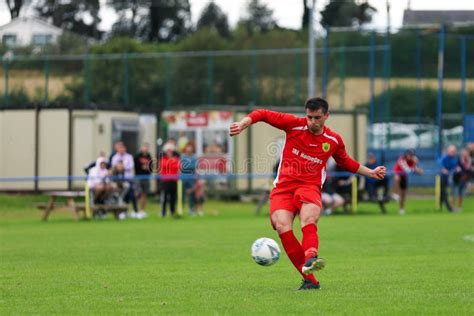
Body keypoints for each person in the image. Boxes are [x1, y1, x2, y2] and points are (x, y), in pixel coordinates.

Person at [229, 97, 386, 290]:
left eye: (317, 117)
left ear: (326, 116)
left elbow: (345, 161)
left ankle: (311, 255)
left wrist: (370, 172)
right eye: (309, 117)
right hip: (284, 187)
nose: (312, 121)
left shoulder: (333, 140)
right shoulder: (294, 125)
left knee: (308, 219)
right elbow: (263, 114)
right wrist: (243, 123)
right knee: (281, 226)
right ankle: (310, 281)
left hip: (309, 187)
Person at [111, 142, 143, 219]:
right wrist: (120, 167)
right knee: (122, 196)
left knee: (132, 195)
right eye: (120, 148)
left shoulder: (129, 157)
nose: (121, 149)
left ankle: (136, 211)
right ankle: (123, 212)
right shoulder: (114, 157)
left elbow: (131, 166)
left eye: (122, 148)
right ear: (117, 149)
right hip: (118, 181)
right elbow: (114, 167)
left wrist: (122, 167)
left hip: (128, 179)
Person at [392, 149, 423, 215]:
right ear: (406, 155)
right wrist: (417, 170)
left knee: (403, 194)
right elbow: (407, 170)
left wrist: (417, 167)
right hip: (398, 173)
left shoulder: (413, 160)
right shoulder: (401, 159)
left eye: (412, 155)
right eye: (409, 155)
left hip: (404, 176)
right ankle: (395, 194)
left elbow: (414, 168)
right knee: (397, 178)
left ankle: (401, 209)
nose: (410, 156)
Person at [159, 142, 180, 217]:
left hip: (174, 180)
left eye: (170, 151)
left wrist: (171, 163)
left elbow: (177, 167)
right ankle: (163, 212)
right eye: (168, 151)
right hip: (165, 181)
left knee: (173, 197)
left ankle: (172, 211)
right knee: (164, 197)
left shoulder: (177, 159)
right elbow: (164, 166)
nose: (169, 152)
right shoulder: (162, 159)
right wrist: (172, 162)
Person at [134, 143, 152, 215]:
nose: (145, 148)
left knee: (144, 194)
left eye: (146, 147)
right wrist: (143, 167)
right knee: (138, 193)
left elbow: (150, 167)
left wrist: (147, 168)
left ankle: (142, 210)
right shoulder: (137, 156)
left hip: (146, 177)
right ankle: (136, 209)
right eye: (144, 147)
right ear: (141, 148)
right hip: (138, 177)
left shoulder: (149, 156)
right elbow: (136, 167)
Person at [439, 145, 458, 212]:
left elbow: (455, 167)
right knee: (444, 193)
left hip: (451, 178)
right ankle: (449, 208)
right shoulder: (444, 158)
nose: (453, 152)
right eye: (452, 151)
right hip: (443, 178)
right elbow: (441, 166)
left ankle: (440, 206)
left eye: (454, 151)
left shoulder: (454, 159)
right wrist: (444, 170)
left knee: (444, 193)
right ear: (448, 151)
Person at [180, 143, 198, 215]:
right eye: (188, 148)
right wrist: (189, 166)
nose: (189, 149)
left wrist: (188, 166)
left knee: (192, 194)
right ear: (186, 149)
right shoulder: (182, 157)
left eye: (190, 148)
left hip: (191, 178)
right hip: (183, 178)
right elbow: (182, 166)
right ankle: (180, 208)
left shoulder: (194, 157)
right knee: (182, 194)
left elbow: (194, 166)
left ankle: (191, 209)